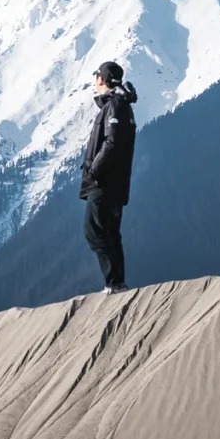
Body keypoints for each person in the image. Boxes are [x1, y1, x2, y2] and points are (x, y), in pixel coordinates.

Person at [79, 59, 138, 294]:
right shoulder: (119, 104)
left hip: (104, 182)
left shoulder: (114, 106)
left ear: (101, 79)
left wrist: (95, 168)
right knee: (110, 232)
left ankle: (114, 283)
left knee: (94, 231)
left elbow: (112, 142)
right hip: (113, 182)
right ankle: (117, 283)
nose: (95, 81)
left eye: (96, 76)